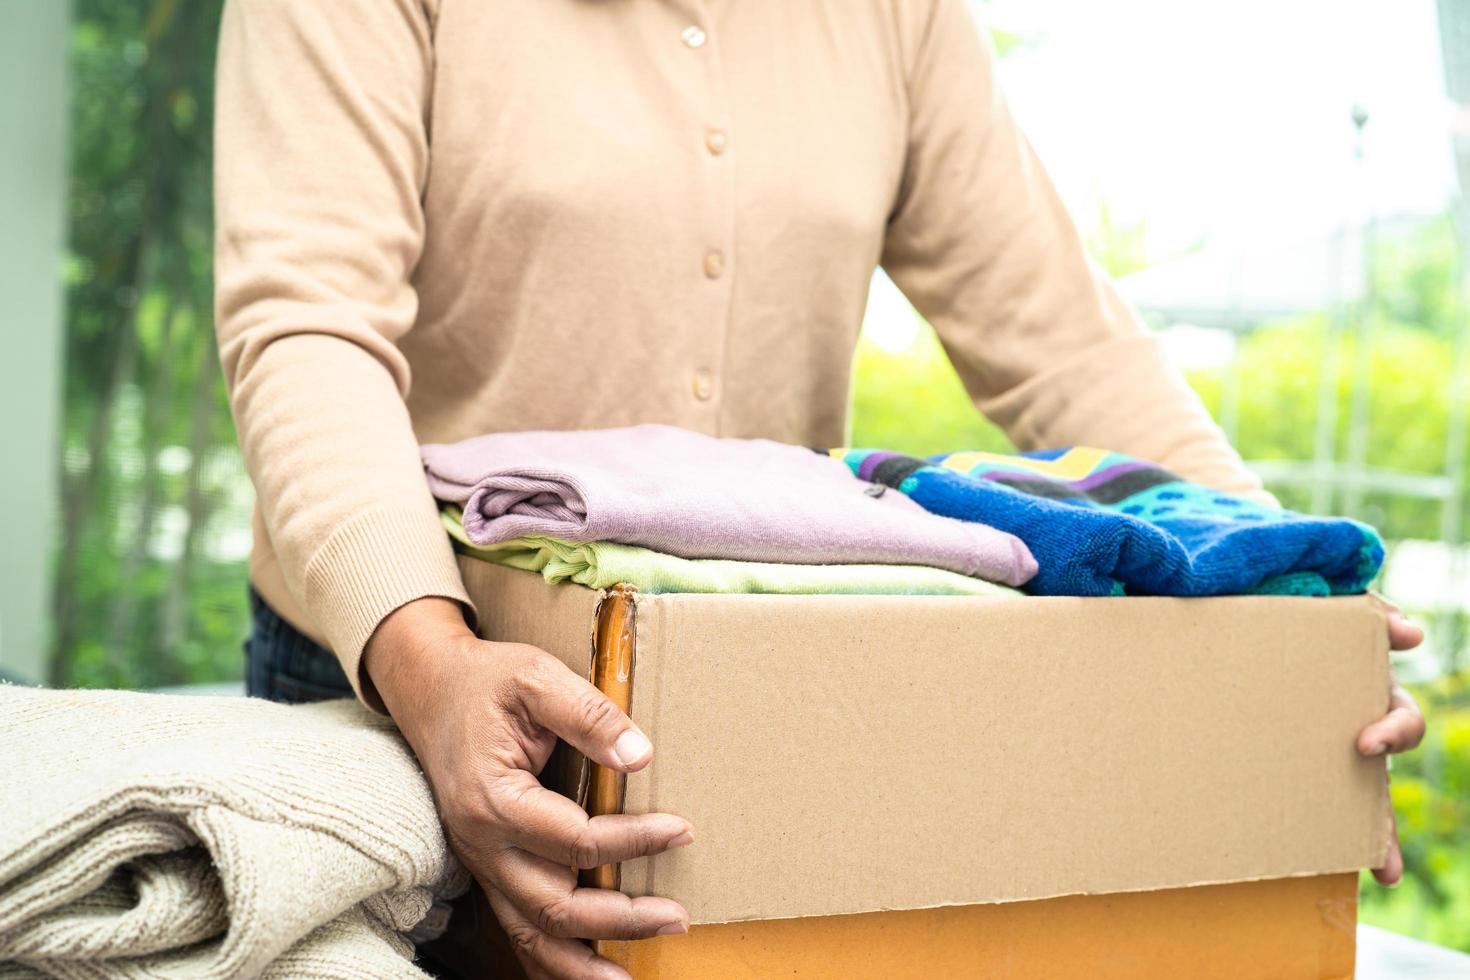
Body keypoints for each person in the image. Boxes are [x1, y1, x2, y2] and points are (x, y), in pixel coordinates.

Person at [212, 1, 1426, 977]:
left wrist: (1294, 595)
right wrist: (430, 666)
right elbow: (308, 323)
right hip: (412, 670)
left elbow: (1064, 341)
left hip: (738, 695)